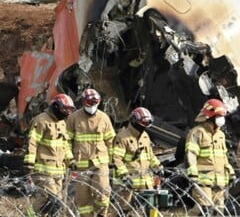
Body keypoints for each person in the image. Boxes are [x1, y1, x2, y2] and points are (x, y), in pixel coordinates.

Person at [66, 88, 115, 217]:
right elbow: (66, 141)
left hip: (100, 163)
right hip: (79, 165)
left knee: (103, 191)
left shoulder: (104, 118)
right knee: (83, 197)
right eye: (89, 104)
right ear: (83, 103)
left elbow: (110, 141)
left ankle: (101, 214)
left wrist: (112, 160)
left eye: (94, 104)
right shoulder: (74, 118)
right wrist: (69, 159)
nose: (92, 107)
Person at [24, 93, 75, 216]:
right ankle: (28, 215)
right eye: (65, 109)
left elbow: (64, 145)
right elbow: (32, 142)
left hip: (58, 170)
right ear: (56, 106)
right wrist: (30, 162)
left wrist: (70, 160)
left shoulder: (62, 123)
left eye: (69, 110)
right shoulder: (41, 120)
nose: (67, 113)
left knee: (56, 203)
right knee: (47, 197)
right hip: (43, 169)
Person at [185, 98, 234, 214]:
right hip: (203, 180)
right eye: (219, 116)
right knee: (202, 210)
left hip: (220, 181)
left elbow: (223, 156)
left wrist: (230, 172)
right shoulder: (197, 132)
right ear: (210, 116)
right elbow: (191, 154)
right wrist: (192, 173)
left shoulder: (220, 135)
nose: (221, 119)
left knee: (219, 212)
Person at [112, 107, 163, 213]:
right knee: (124, 211)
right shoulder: (122, 137)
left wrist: (158, 166)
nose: (143, 128)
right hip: (128, 183)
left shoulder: (145, 136)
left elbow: (150, 156)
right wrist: (124, 176)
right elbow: (117, 159)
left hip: (145, 181)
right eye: (142, 124)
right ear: (135, 122)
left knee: (151, 208)